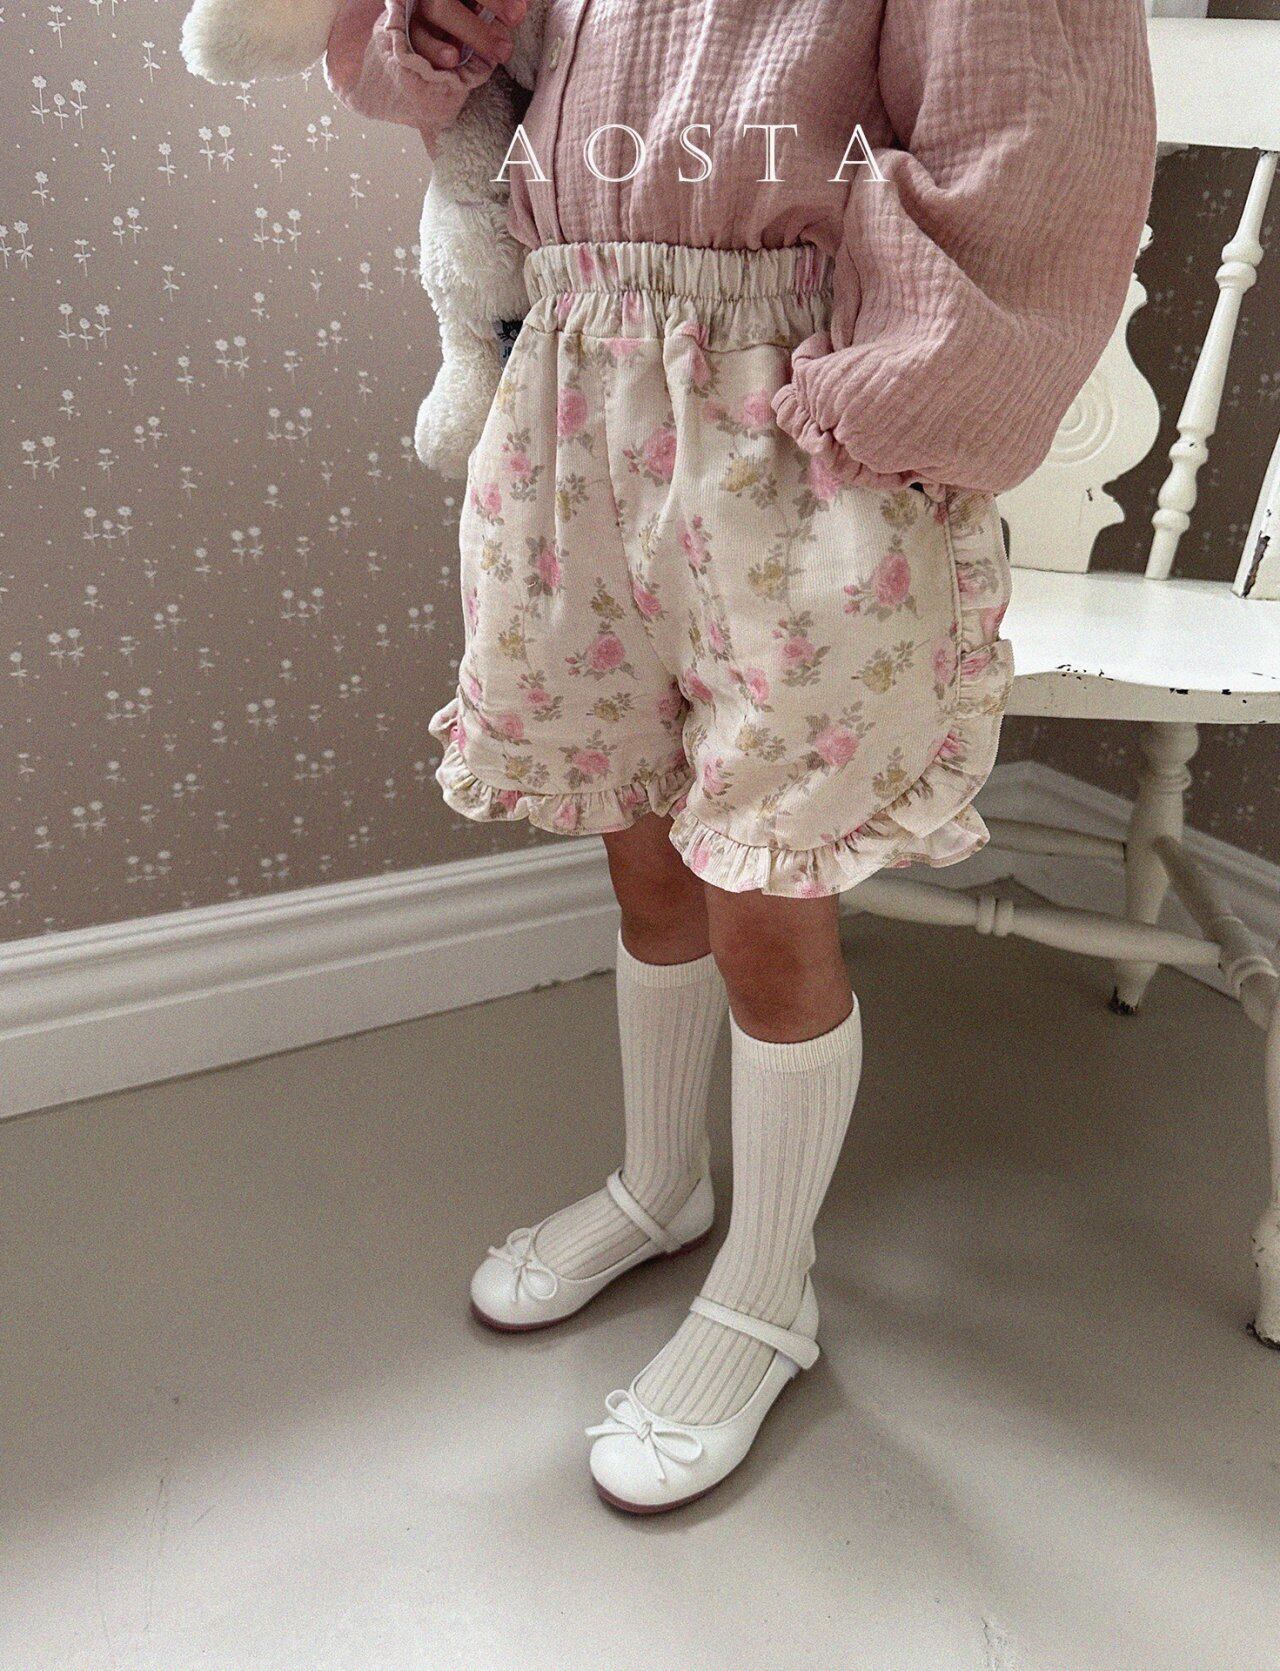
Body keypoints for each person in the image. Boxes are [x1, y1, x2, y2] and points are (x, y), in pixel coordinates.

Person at [325, 0, 1156, 1513]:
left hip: (792, 426)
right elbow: (434, 82)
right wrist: (432, 30)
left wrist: (896, 391)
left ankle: (770, 1286)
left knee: (768, 894)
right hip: (571, 401)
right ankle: (662, 1184)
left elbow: (1033, 137)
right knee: (637, 841)